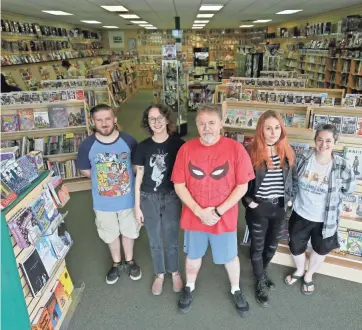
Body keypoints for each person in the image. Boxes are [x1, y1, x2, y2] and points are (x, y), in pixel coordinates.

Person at [171, 104, 255, 317]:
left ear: (221, 123)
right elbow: (179, 184)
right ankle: (189, 286)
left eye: (211, 123)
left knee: (230, 257)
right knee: (193, 254)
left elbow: (242, 186)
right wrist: (199, 211)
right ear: (196, 125)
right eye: (201, 123)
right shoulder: (186, 149)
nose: (206, 128)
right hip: (194, 215)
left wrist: (217, 212)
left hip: (224, 217)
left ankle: (236, 289)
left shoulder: (236, 149)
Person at [285, 124, 356, 295]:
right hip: (300, 213)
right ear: (315, 140)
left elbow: (349, 189)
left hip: (326, 219)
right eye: (320, 140)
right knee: (296, 246)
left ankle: (309, 275)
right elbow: (292, 180)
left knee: (320, 249)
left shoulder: (343, 166)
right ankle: (300, 270)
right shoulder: (303, 157)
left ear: (335, 142)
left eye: (328, 141)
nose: (323, 144)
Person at [77, 104, 142, 285]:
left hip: (127, 199)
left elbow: (136, 167)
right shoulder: (87, 145)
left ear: (115, 119)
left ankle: (129, 260)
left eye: (107, 119)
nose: (104, 123)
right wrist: (103, 180)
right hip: (103, 202)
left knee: (129, 231)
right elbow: (84, 169)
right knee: (110, 233)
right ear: (93, 122)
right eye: (99, 120)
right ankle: (116, 262)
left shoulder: (128, 141)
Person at [242, 110, 296, 307]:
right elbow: (241, 182)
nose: (273, 132)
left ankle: (262, 273)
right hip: (259, 207)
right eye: (268, 128)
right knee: (257, 247)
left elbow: (293, 180)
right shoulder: (250, 152)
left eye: (276, 128)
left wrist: (290, 200)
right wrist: (250, 202)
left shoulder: (287, 152)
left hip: (280, 208)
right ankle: (260, 282)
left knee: (272, 246)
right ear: (261, 130)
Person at [133, 104, 185, 296]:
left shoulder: (178, 144)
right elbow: (139, 177)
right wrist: (137, 206)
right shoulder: (143, 146)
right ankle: (160, 274)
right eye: (151, 119)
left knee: (171, 237)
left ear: (167, 120)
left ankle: (174, 271)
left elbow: (184, 175)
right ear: (147, 122)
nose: (156, 122)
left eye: (159, 117)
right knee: (154, 238)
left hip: (172, 196)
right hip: (149, 197)